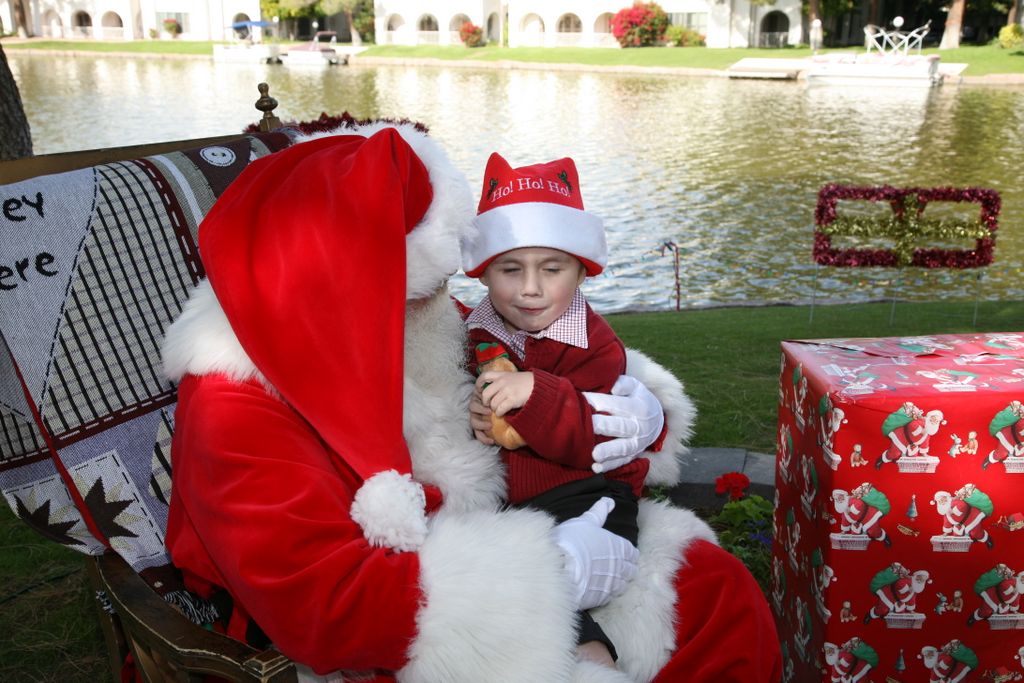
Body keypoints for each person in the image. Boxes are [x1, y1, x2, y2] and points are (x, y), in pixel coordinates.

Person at [162, 122, 782, 682]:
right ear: (352, 277)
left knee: (714, 588)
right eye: (423, 284)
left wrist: (630, 399)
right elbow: (328, 607)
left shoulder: (409, 317)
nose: (444, 296)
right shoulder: (233, 406)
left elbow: (530, 355)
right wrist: (551, 569)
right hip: (398, 624)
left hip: (510, 510)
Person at [461, 152, 645, 667]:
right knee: (499, 572)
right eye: (509, 268)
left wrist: (534, 392)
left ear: (582, 271)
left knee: (556, 572)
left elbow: (597, 436)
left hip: (588, 496)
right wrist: (475, 417)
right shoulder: (476, 331)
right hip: (508, 503)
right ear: (482, 272)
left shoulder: (594, 344)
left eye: (552, 268)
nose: (530, 288)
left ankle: (594, 661)